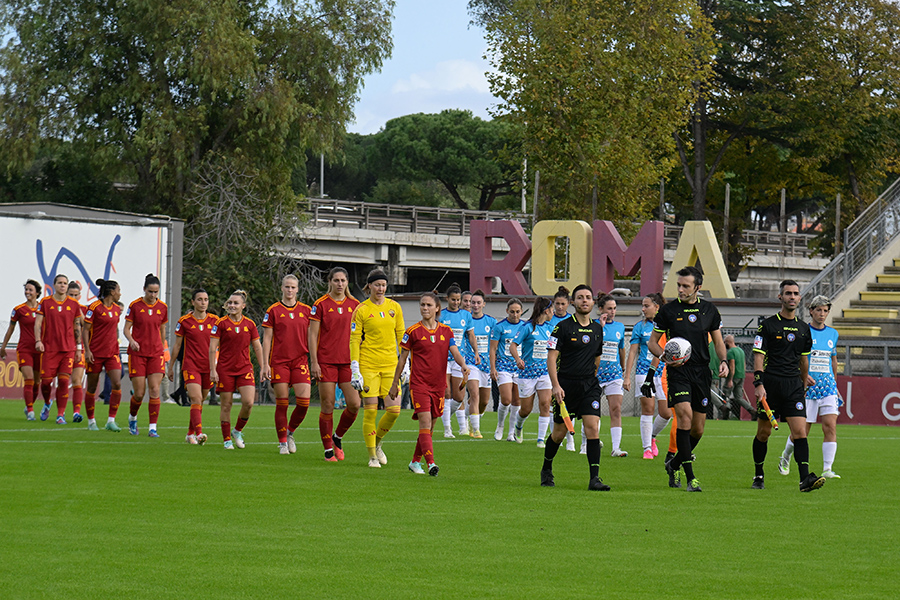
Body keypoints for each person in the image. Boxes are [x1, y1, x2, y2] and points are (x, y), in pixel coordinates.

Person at [649, 266, 727, 492]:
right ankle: (691, 477)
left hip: (702, 373)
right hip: (678, 372)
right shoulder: (668, 311)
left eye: (686, 286)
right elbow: (653, 342)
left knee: (698, 429)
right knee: (684, 417)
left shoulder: (710, 311)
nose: (681, 290)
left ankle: (673, 463)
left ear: (698, 288)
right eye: (679, 285)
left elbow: (719, 341)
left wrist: (723, 360)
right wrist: (663, 356)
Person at [751, 280, 824, 492]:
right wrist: (758, 383)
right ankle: (758, 473)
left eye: (795, 294)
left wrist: (804, 380)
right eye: (788, 293)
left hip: (793, 386)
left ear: (800, 298)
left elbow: (803, 360)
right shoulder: (767, 325)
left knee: (800, 432)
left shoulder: (804, 329)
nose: (792, 297)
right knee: (764, 433)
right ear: (780, 297)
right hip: (771, 384)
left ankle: (805, 479)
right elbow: (758, 356)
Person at [388, 292, 468, 476]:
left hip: (439, 385)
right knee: (424, 423)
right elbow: (402, 360)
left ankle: (415, 462)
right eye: (422, 305)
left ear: (437, 308)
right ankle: (431, 464)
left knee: (430, 426)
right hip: (419, 384)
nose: (425, 308)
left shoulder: (446, 331)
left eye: (429, 305)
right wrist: (395, 383)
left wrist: (463, 365)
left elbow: (455, 352)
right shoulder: (412, 331)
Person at [542, 284, 610, 490]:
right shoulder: (562, 327)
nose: (584, 300)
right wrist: (555, 386)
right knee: (558, 434)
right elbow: (551, 358)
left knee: (592, 428)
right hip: (565, 387)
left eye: (588, 297)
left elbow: (597, 358)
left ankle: (594, 479)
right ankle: (546, 468)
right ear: (573, 302)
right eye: (580, 297)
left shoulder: (598, 329)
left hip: (589, 386)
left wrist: (590, 378)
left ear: (593, 302)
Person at [778, 295, 842, 479]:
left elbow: (833, 360)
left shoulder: (833, 334)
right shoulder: (802, 331)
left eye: (825, 310)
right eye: (819, 310)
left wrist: (835, 384)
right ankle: (786, 455)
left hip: (828, 387)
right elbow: (794, 357)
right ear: (811, 311)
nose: (822, 314)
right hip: (807, 389)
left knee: (830, 426)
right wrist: (802, 377)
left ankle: (827, 469)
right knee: (802, 431)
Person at [349, 269, 406, 468]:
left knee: (394, 411)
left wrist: (405, 363)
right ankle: (372, 456)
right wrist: (355, 366)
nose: (380, 288)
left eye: (383, 285)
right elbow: (355, 339)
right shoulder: (362, 309)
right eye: (377, 285)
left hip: (391, 365)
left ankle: (378, 440)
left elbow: (401, 336)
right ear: (369, 286)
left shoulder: (395, 307)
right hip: (368, 365)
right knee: (370, 412)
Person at [309, 267, 362, 461]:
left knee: (355, 404)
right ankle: (327, 450)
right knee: (328, 404)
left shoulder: (355, 305)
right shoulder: (320, 304)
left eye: (343, 280)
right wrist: (314, 362)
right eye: (336, 280)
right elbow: (312, 334)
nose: (340, 284)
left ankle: (337, 437)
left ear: (347, 282)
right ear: (329, 282)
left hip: (348, 363)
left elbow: (360, 335)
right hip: (326, 362)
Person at [260, 275, 313, 456]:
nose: (290, 290)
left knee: (304, 402)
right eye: (287, 287)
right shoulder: (273, 310)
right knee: (282, 403)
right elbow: (267, 338)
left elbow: (313, 336)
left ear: (298, 289)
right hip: (279, 361)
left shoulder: (306, 310)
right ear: (281, 288)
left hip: (300, 361)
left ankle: (290, 432)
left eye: (293, 287)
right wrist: (265, 364)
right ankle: (282, 442)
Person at [210, 290, 264, 450]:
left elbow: (257, 347)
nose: (232, 306)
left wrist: (263, 367)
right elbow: (212, 348)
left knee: (248, 402)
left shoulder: (250, 324)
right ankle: (227, 439)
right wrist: (213, 370)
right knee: (226, 405)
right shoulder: (221, 323)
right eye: (230, 303)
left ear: (243, 306)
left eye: (236, 303)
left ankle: (237, 431)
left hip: (244, 368)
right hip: (225, 369)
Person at [168, 288, 218, 445]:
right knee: (195, 398)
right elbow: (177, 346)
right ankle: (199, 433)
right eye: (200, 299)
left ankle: (190, 434)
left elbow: (221, 345)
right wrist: (170, 367)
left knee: (200, 401)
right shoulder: (184, 321)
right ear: (192, 302)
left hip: (208, 368)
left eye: (206, 299)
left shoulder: (215, 321)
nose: (203, 303)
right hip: (191, 366)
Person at [624, 293, 669, 459]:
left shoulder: (666, 325)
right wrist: (627, 376)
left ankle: (652, 436)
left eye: (646, 306)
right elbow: (633, 353)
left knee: (666, 413)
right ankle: (647, 448)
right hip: (644, 372)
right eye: (642, 306)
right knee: (648, 409)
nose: (643, 309)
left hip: (663, 372)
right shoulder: (640, 327)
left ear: (657, 307)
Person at [34, 274, 83, 424]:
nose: (63, 285)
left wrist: (79, 347)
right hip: (49, 349)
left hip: (68, 349)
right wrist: (38, 341)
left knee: (63, 381)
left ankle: (60, 414)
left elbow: (77, 326)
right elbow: (37, 323)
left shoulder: (73, 304)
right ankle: (48, 402)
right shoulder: (45, 302)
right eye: (60, 283)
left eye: (65, 283)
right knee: (46, 382)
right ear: (54, 285)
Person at [124, 273, 168, 437]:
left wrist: (162, 347)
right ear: (144, 289)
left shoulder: (162, 307)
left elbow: (162, 330)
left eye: (156, 292)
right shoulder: (135, 306)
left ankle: (152, 427)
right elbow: (126, 328)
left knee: (155, 390)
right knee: (140, 393)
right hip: (138, 354)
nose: (153, 295)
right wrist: (132, 341)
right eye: (150, 291)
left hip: (155, 353)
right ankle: (133, 418)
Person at [509, 296, 554, 447]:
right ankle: (518, 426)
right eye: (551, 309)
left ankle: (541, 439)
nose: (553, 312)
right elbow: (513, 346)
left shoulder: (550, 328)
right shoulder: (527, 327)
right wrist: (518, 359)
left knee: (546, 404)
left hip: (544, 373)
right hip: (527, 374)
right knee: (526, 409)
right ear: (546, 310)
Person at [82, 278, 124, 432]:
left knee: (117, 384)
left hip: (112, 353)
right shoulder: (94, 307)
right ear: (112, 292)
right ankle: (91, 421)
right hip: (95, 353)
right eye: (118, 290)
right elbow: (85, 330)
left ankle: (111, 420)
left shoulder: (116, 309)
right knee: (92, 387)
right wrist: (87, 350)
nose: (120, 293)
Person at [438, 283, 477, 437]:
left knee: (459, 396)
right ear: (447, 299)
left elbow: (471, 336)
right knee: (446, 393)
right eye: (453, 299)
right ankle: (447, 429)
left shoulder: (466, 316)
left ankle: (447, 415)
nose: (456, 302)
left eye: (458, 300)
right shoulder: (441, 315)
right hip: (443, 359)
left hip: (459, 359)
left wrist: (476, 352)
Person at [1, 279, 43, 420]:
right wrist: (3, 346)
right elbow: (11, 329)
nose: (27, 292)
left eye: (30, 290)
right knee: (29, 378)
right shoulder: (19, 309)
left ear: (37, 293)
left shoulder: (43, 309)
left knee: (37, 381)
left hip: (40, 349)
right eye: (26, 290)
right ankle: (30, 411)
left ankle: (28, 404)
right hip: (24, 349)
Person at [595, 293, 627, 457]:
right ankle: (589, 443)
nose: (613, 311)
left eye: (614, 308)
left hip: (614, 374)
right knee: (593, 410)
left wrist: (623, 369)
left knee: (616, 409)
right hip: (594, 374)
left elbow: (621, 348)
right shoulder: (592, 325)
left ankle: (616, 448)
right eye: (609, 308)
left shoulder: (620, 327)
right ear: (601, 309)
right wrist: (600, 327)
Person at [489, 298, 524, 442]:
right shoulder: (500, 327)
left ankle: (511, 433)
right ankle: (500, 425)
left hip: (520, 368)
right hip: (504, 367)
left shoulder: (525, 326)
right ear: (507, 311)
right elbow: (493, 348)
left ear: (521, 312)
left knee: (517, 401)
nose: (515, 315)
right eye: (512, 312)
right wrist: (493, 368)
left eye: (517, 312)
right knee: (506, 399)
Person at [548, 286, 576, 451]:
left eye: (562, 303)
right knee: (554, 404)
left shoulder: (572, 321)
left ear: (568, 304)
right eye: (557, 303)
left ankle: (571, 440)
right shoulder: (549, 320)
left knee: (568, 403)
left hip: (568, 365)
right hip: (552, 364)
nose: (559, 307)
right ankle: (554, 437)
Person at [464, 289, 495, 438]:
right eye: (472, 302)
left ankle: (468, 415)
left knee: (484, 401)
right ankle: (475, 429)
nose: (475, 305)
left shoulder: (491, 322)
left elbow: (495, 344)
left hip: (486, 365)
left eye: (478, 302)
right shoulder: (466, 320)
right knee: (474, 394)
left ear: (484, 304)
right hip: (470, 362)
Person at [64, 281, 88, 422]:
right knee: (60, 381)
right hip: (63, 349)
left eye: (75, 295)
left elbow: (86, 325)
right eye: (70, 294)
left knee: (76, 380)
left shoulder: (84, 309)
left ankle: (76, 413)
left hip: (80, 349)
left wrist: (77, 311)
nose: (73, 297)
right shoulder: (61, 307)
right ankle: (49, 404)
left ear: (80, 295)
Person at [722, 335, 753, 418]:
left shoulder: (731, 352)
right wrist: (743, 374)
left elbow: (732, 366)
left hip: (734, 376)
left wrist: (730, 380)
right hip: (741, 376)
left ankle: (725, 412)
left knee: (725, 394)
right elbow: (744, 364)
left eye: (725, 342)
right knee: (739, 397)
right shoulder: (741, 351)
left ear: (728, 342)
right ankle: (752, 410)